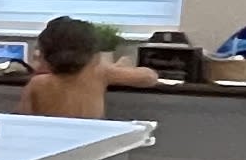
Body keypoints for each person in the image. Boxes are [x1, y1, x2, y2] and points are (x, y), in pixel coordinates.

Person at [23, 16, 165, 119]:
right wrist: (117, 67)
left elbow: (22, 119)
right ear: (94, 56)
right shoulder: (98, 73)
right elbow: (149, 77)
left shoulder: (37, 84)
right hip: (89, 139)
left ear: (44, 55)